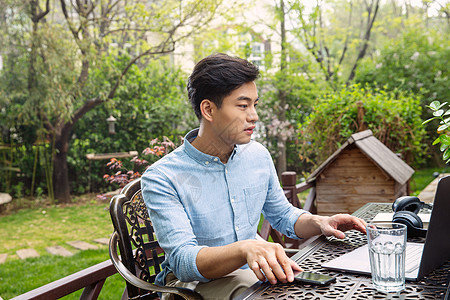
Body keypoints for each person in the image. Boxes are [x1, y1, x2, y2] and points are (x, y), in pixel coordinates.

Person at [141, 53, 367, 299]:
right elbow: (184, 262)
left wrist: (320, 222)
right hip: (192, 288)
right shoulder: (163, 177)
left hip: (256, 273)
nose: (254, 116)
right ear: (208, 109)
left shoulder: (257, 155)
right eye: (242, 105)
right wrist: (244, 249)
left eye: (254, 105)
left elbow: (283, 215)